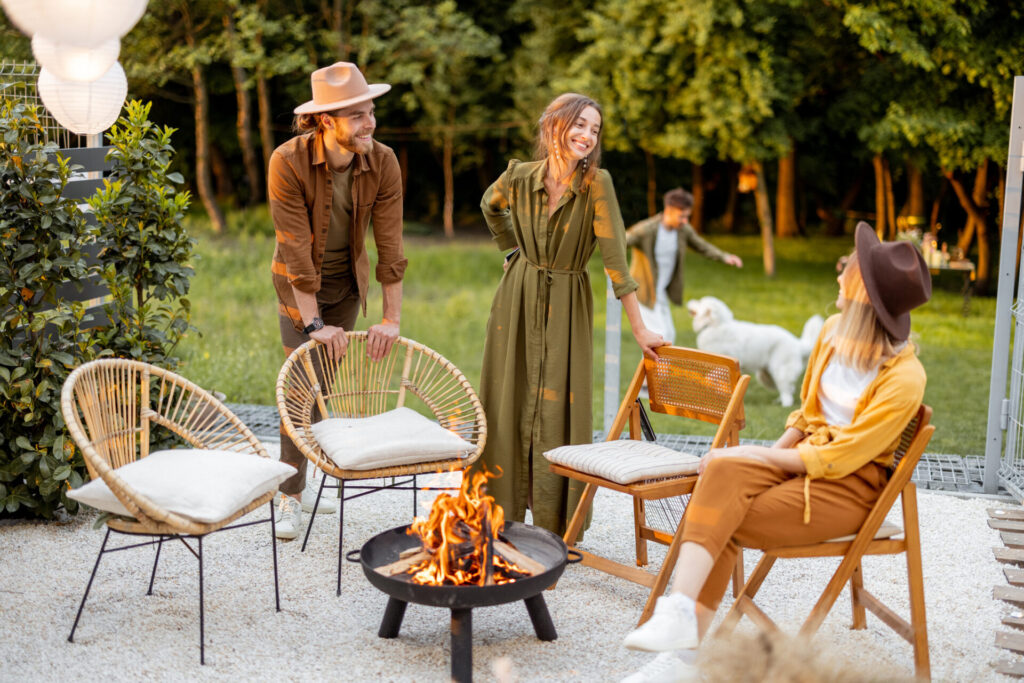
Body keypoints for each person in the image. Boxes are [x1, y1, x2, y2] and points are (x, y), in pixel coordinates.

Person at [620, 221, 931, 683]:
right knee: (722, 484)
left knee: (721, 506)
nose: (842, 270)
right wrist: (756, 458)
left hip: (847, 490)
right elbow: (805, 417)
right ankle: (681, 619)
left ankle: (682, 656)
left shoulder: (905, 379)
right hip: (802, 465)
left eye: (853, 268)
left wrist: (747, 458)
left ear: (866, 293)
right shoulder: (830, 332)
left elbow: (838, 459)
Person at [476, 93, 666, 537]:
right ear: (552, 127)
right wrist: (510, 249)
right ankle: (497, 516)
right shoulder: (518, 176)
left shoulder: (596, 183)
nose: (586, 136)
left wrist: (639, 328)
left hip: (567, 299)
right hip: (517, 296)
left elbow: (616, 261)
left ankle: (555, 523)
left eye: (594, 130)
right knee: (507, 398)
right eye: (579, 125)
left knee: (560, 404)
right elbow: (491, 205)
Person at [267, 62, 406, 540]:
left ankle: (307, 473)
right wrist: (312, 326)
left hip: (348, 285)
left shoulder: (383, 161)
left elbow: (390, 248)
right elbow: (295, 249)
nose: (371, 123)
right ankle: (289, 494)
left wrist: (391, 317)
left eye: (371, 112)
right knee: (301, 385)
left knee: (322, 382)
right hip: (297, 286)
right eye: (358, 116)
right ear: (326, 121)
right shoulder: (287, 161)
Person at [626, 188, 742, 344]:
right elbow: (621, 241)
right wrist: (612, 262)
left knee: (669, 335)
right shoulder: (647, 230)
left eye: (687, 216)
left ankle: (654, 368)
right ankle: (654, 369)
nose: (685, 221)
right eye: (682, 216)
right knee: (659, 336)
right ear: (669, 211)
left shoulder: (682, 231)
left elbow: (702, 246)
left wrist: (724, 257)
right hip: (643, 291)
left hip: (661, 293)